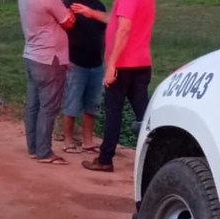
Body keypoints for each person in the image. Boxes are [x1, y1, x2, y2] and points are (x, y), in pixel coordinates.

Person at [73, 0, 154, 172]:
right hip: (141, 62)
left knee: (114, 112)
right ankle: (157, 158)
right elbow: (118, 20)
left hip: (123, 64)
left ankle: (105, 159)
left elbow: (124, 28)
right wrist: (93, 13)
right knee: (145, 116)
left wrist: (112, 65)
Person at [19, 0, 74, 164]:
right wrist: (69, 12)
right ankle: (44, 151)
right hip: (50, 57)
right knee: (48, 107)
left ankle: (34, 148)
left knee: (33, 105)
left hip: (32, 54)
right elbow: (69, 22)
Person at [59, 0, 104, 154]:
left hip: (96, 62)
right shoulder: (67, 4)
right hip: (75, 61)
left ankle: (88, 141)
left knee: (92, 105)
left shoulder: (98, 5)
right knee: (71, 103)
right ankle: (68, 140)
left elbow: (103, 33)